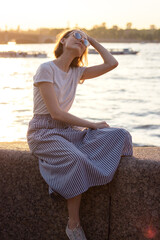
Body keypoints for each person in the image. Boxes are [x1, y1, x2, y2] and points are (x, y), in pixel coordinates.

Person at [27, 29, 133, 240]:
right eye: (77, 36)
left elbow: (112, 63)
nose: (81, 40)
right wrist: (92, 125)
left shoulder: (77, 72)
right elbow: (56, 113)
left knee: (120, 135)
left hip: (67, 131)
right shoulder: (46, 69)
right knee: (76, 158)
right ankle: (73, 225)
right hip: (43, 132)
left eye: (84, 40)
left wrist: (91, 40)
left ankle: (59, 177)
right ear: (63, 40)